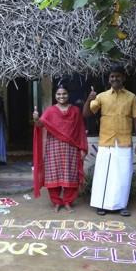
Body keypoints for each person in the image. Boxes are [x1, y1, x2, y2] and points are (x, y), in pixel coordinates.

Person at [83, 65, 136, 217]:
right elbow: (86, 113)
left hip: (124, 141)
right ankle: (101, 204)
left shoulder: (132, 97)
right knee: (103, 174)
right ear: (109, 79)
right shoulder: (102, 96)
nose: (114, 78)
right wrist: (89, 99)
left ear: (123, 78)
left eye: (117, 76)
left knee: (123, 174)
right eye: (112, 76)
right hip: (106, 140)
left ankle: (121, 205)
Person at [33, 84, 88, 213]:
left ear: (68, 95)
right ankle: (56, 202)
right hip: (54, 147)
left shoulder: (75, 110)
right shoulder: (50, 110)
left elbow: (80, 129)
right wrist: (35, 118)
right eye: (58, 94)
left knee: (71, 175)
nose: (61, 96)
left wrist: (82, 148)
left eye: (64, 94)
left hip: (71, 147)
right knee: (53, 175)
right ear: (55, 96)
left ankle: (68, 202)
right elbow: (40, 125)